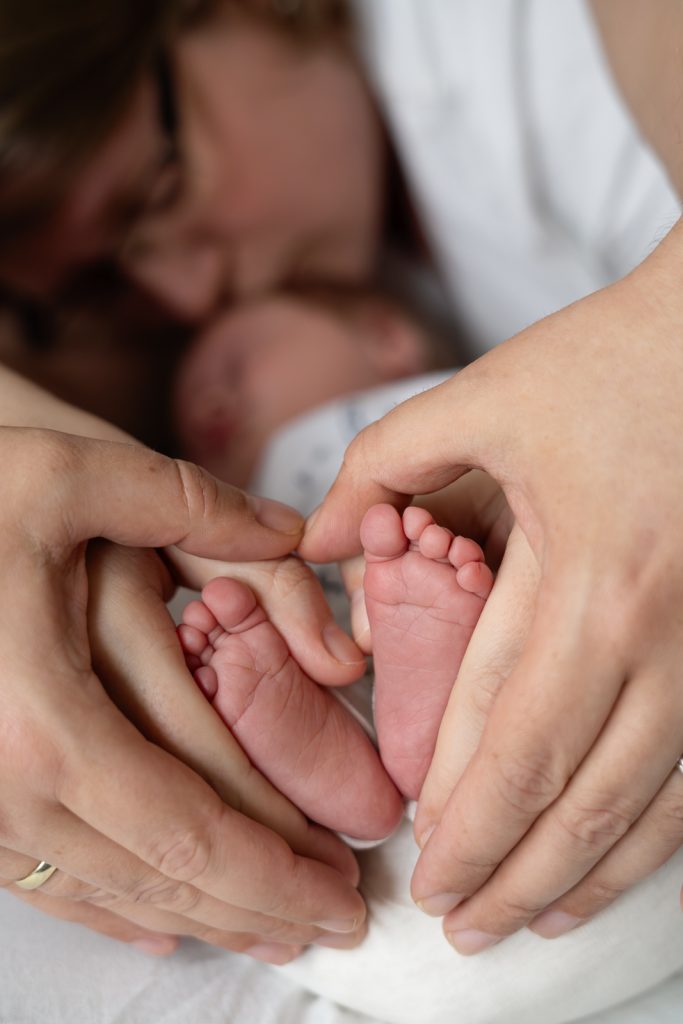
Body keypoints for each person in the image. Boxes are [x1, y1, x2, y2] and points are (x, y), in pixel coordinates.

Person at [1, 0, 683, 990]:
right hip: (346, 618)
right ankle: (337, 751)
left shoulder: (495, 38)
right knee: (315, 629)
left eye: (155, 192)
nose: (186, 296)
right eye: (100, 287)